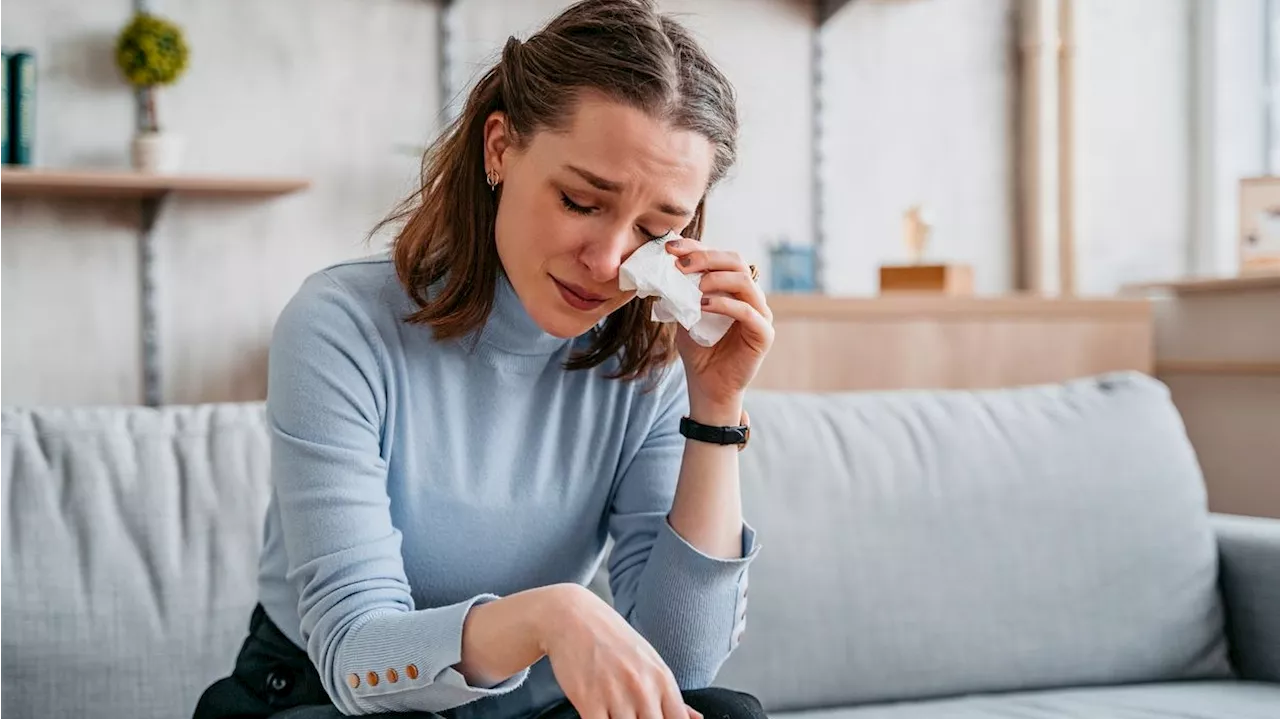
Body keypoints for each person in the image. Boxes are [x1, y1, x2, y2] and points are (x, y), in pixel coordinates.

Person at [194, 0, 773, 717]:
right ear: (499, 147)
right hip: (331, 699)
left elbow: (678, 666)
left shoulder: (645, 368)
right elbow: (354, 654)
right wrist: (552, 615)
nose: (607, 262)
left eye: (654, 229)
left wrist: (715, 409)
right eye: (579, 200)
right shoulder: (340, 325)